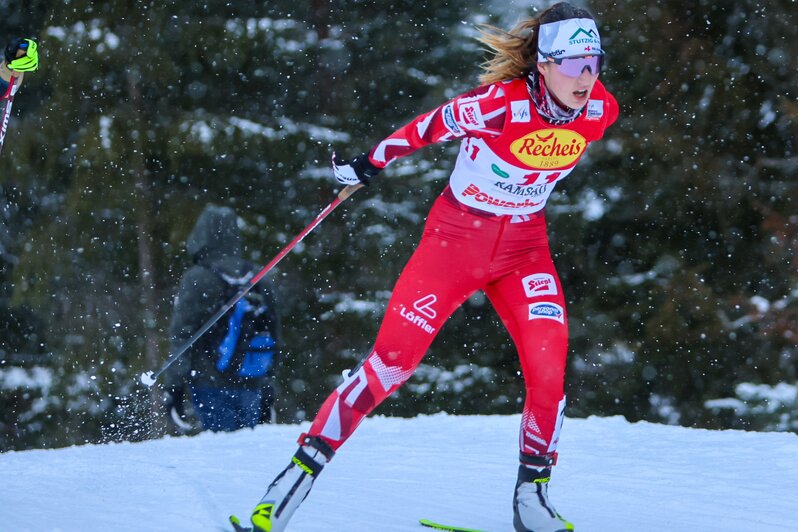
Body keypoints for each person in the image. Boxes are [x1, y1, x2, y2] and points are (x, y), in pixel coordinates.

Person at [231, 3, 618, 531]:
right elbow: (426, 128)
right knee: (390, 365)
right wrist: (367, 165)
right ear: (543, 65)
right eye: (573, 65)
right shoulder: (497, 106)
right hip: (456, 242)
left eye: (594, 63)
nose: (586, 78)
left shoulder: (600, 111)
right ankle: (293, 481)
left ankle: (533, 499)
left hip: (525, 250)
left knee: (548, 374)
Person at [165, 205, 282, 433]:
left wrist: (174, 387)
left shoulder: (198, 278)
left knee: (219, 454)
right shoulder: (257, 276)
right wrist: (268, 389)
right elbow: (274, 333)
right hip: (252, 380)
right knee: (244, 454)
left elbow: (182, 334)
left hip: (209, 381)